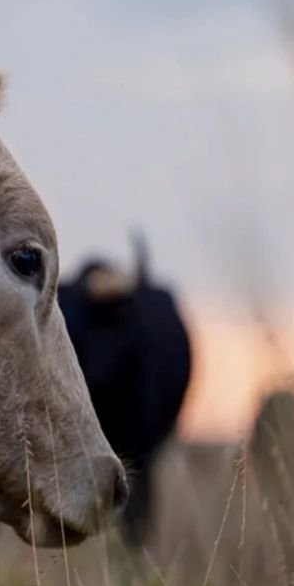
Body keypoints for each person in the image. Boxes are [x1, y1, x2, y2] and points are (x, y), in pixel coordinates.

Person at [58, 231, 192, 549]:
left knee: (139, 467)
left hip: (137, 414)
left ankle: (134, 552)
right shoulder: (72, 315)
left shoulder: (146, 333)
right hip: (87, 413)